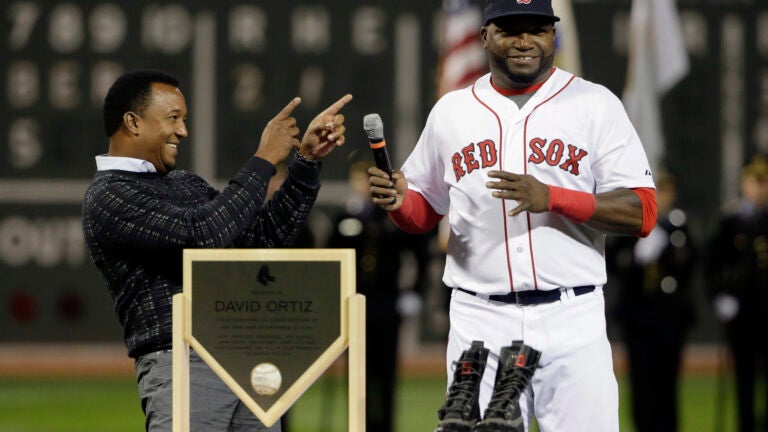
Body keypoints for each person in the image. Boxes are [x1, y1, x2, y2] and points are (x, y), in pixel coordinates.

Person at [367, 0, 657, 431]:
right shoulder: (452, 111)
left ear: (553, 34)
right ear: (485, 36)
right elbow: (423, 212)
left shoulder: (595, 104)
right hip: (480, 319)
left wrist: (555, 198)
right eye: (509, 29)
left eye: (537, 29)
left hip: (571, 315)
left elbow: (643, 211)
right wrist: (398, 203)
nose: (525, 41)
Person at [81, 69, 352, 432]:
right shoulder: (109, 195)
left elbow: (260, 241)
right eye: (173, 118)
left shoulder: (185, 183)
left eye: (185, 119)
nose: (183, 131)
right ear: (132, 122)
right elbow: (201, 236)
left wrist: (305, 163)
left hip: (246, 363)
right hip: (181, 362)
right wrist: (264, 160)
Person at [326, 160, 433, 432]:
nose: (363, 185)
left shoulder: (393, 213)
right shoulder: (346, 216)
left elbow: (420, 252)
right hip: (355, 304)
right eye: (359, 179)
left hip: (387, 302)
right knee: (357, 373)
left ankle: (384, 427)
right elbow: (331, 259)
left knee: (386, 374)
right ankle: (359, 425)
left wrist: (415, 292)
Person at [606, 171, 697, 432]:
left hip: (671, 317)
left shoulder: (679, 227)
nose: (661, 197)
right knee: (640, 380)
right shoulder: (630, 228)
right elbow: (614, 263)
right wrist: (636, 255)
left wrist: (668, 247)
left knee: (668, 380)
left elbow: (690, 265)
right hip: (638, 316)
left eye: (665, 191)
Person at [708, 155, 768, 432]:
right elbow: (714, 263)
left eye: (763, 181)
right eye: (754, 181)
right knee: (743, 379)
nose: (759, 188)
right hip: (742, 311)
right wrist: (720, 296)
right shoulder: (730, 220)